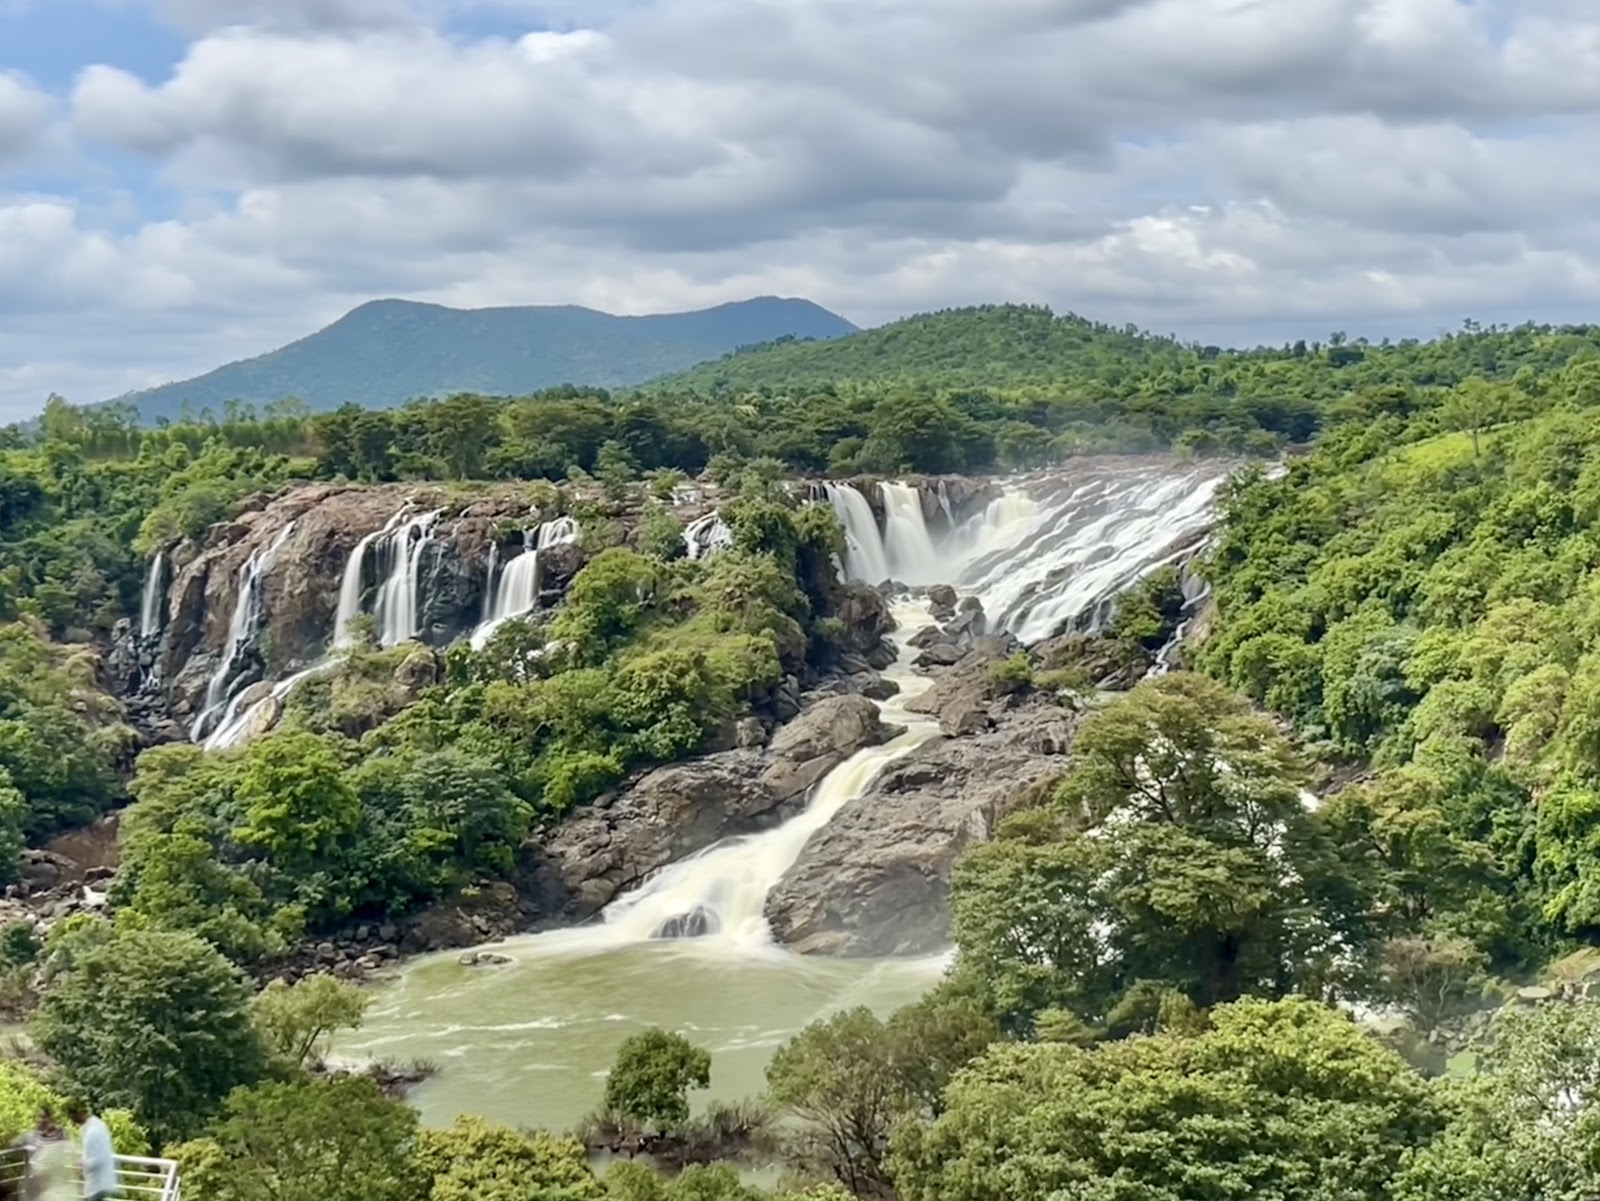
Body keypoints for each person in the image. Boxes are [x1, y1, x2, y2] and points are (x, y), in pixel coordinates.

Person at [66, 1106, 113, 1201]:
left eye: (72, 1117)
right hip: (99, 1182)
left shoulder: (92, 1132)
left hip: (96, 1183)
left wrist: (82, 1164)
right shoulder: (97, 1124)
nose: (73, 1122)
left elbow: (98, 1158)